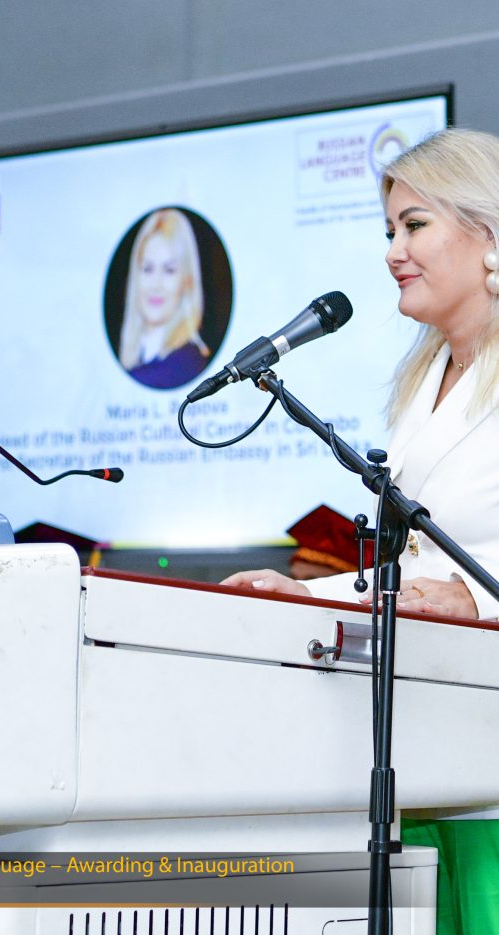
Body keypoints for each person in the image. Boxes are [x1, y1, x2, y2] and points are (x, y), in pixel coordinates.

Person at [222, 127, 499, 934]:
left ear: (487, 230)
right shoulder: (424, 379)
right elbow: (415, 572)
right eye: (389, 231)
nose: (392, 252)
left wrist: (478, 599)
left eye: (414, 225)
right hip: (426, 745)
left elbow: (456, 581)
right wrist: (302, 594)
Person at [119, 208, 210, 389]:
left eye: (169, 270)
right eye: (147, 269)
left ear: (187, 281)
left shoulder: (187, 364)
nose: (156, 285)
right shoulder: (137, 356)